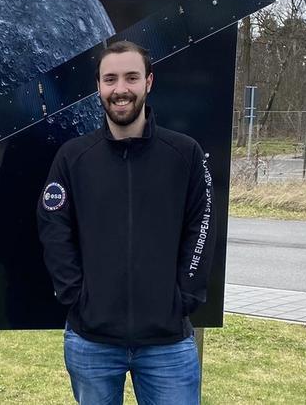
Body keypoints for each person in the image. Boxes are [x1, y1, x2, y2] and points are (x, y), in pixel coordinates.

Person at [37, 40, 217, 404]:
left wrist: (184, 296)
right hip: (92, 342)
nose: (121, 90)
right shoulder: (73, 158)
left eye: (131, 77)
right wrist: (75, 296)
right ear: (98, 87)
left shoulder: (184, 154)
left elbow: (203, 224)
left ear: (148, 82)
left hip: (167, 343)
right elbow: (54, 227)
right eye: (110, 79)